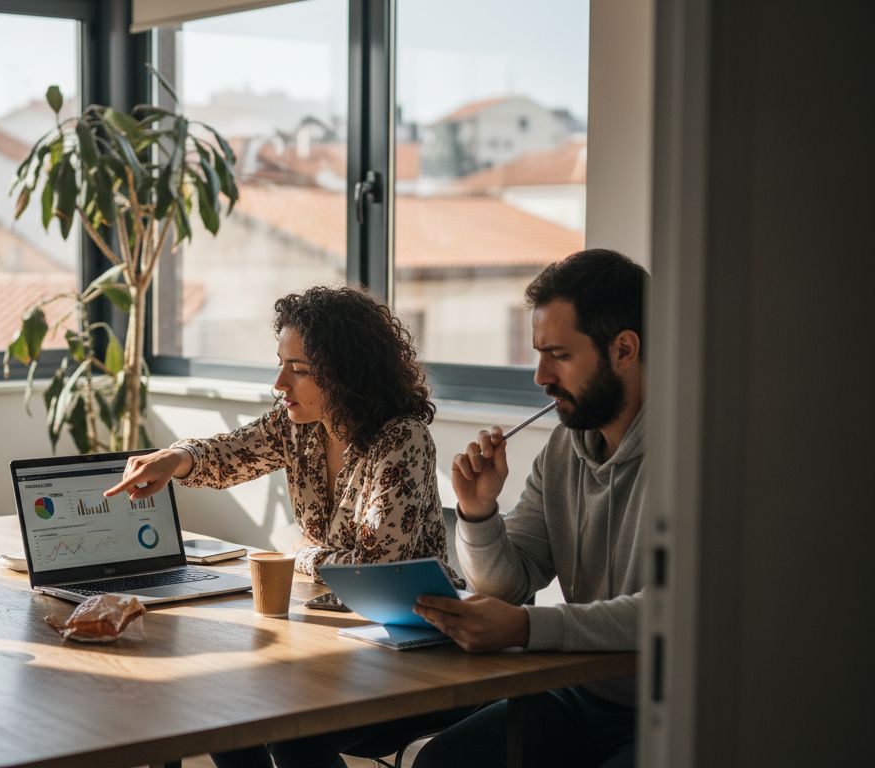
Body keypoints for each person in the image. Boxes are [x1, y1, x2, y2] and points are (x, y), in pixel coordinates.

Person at [104, 285, 470, 768]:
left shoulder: (402, 438)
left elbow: (373, 567)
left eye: (299, 370)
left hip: (411, 643)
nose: (280, 383)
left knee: (287, 720)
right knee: (225, 703)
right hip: (338, 632)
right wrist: (175, 458)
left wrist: (302, 554)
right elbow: (230, 453)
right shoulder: (296, 425)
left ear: (346, 374)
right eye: (280, 363)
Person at [406, 248, 647, 767]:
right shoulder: (565, 449)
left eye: (559, 355)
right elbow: (510, 585)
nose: (540, 376)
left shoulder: (696, 461)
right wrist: (477, 514)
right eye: (538, 353)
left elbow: (671, 612)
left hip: (667, 711)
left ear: (623, 349)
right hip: (578, 689)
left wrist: (526, 628)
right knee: (442, 762)